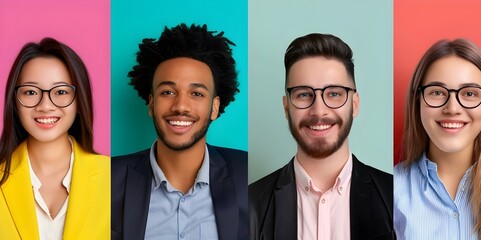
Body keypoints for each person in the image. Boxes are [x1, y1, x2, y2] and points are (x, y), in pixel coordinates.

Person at [249, 33, 393, 240]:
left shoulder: (394, 197)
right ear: (286, 106)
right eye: (304, 94)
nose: (319, 110)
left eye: (334, 94)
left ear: (354, 104)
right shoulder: (250, 205)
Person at [111, 24, 248, 240]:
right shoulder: (107, 179)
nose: (181, 106)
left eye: (197, 93)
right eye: (168, 92)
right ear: (151, 104)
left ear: (214, 107)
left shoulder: (247, 174)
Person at [394, 39, 481, 239]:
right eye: (437, 92)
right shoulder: (389, 190)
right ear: (417, 102)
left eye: (470, 93)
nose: (453, 108)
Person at [0, 38, 109, 239]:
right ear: (14, 102)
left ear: (79, 101)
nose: (45, 105)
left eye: (60, 91)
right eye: (31, 92)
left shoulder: (113, 177)